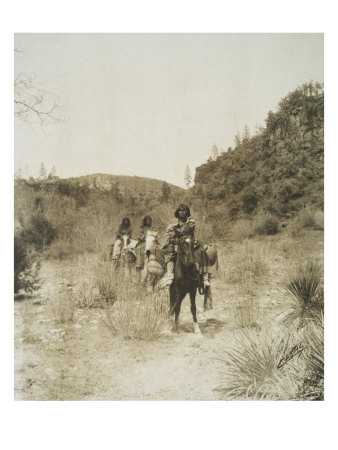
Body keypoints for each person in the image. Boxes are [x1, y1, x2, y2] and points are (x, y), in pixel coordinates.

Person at [161, 204, 210, 287]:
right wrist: (173, 239)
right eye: (180, 211)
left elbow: (186, 231)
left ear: (187, 212)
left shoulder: (190, 222)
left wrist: (177, 232)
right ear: (177, 213)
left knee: (201, 251)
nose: (182, 212)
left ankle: (205, 276)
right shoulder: (172, 227)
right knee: (170, 252)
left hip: (190, 242)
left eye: (184, 210)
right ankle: (170, 275)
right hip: (179, 244)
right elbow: (168, 238)